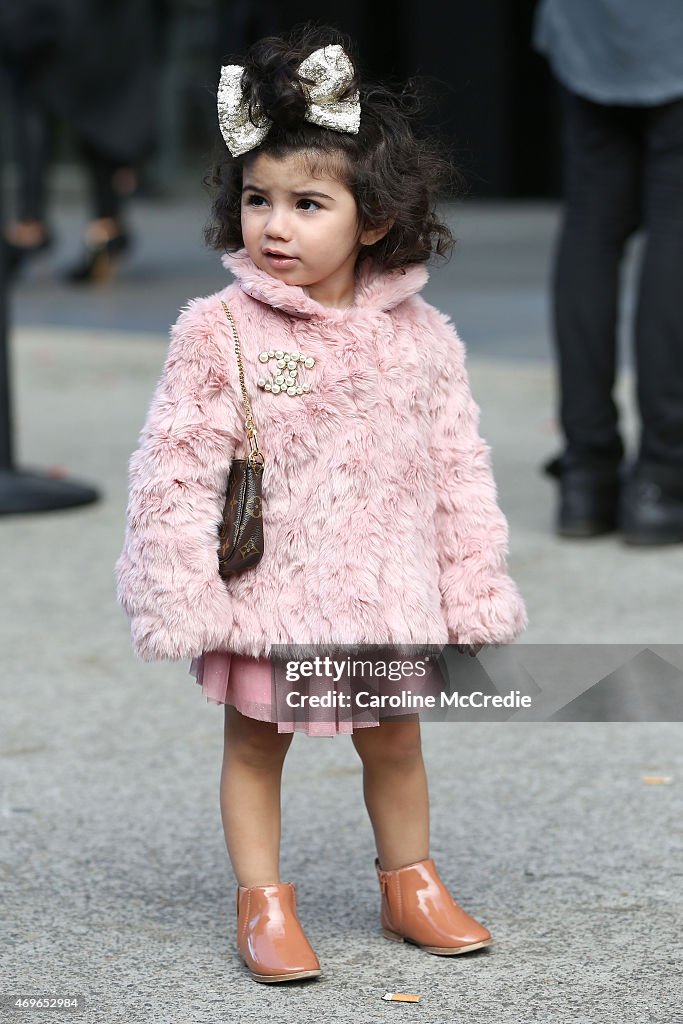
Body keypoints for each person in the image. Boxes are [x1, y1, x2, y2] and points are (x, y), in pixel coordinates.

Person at [115, 25, 527, 985]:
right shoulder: (217, 331)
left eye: (307, 204)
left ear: (373, 219)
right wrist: (183, 594)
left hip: (386, 594)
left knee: (395, 741)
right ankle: (261, 902)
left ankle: (409, 882)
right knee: (256, 744)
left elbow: (457, 464)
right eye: (257, 200)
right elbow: (172, 468)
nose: (275, 226)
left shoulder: (422, 335)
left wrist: (471, 582)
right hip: (270, 592)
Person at [533, 0, 683, 544]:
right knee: (676, 226)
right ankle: (664, 479)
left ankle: (586, 476)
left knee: (591, 224)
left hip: (591, 25)